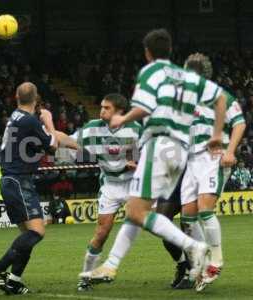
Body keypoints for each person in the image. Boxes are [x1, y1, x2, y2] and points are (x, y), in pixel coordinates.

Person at [82, 29, 227, 289]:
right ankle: (111, 264)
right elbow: (220, 100)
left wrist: (122, 118)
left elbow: (145, 107)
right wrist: (218, 135)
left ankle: (193, 247)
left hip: (160, 145)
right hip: (180, 152)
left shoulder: (153, 72)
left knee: (138, 211)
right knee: (137, 211)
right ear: (170, 50)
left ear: (147, 52)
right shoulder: (183, 77)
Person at [158, 53, 246, 290]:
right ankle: (202, 259)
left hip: (213, 158)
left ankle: (215, 260)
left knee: (205, 209)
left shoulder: (221, 96)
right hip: (192, 161)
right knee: (187, 216)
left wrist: (230, 152)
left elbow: (239, 122)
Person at [62, 93, 142, 291]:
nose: (101, 111)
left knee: (157, 224)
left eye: (107, 108)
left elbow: (151, 156)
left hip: (134, 184)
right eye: (101, 107)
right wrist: (51, 131)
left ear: (120, 112)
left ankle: (185, 264)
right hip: (111, 185)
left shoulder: (136, 129)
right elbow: (66, 139)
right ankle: (85, 277)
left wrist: (139, 164)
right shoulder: (92, 128)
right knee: (101, 232)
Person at [0, 82, 58, 295]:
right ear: (36, 99)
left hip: (10, 180)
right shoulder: (29, 120)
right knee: (37, 232)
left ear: (16, 97)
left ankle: (14, 281)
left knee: (26, 236)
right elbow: (52, 146)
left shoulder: (15, 117)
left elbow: (30, 145)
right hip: (19, 181)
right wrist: (49, 121)